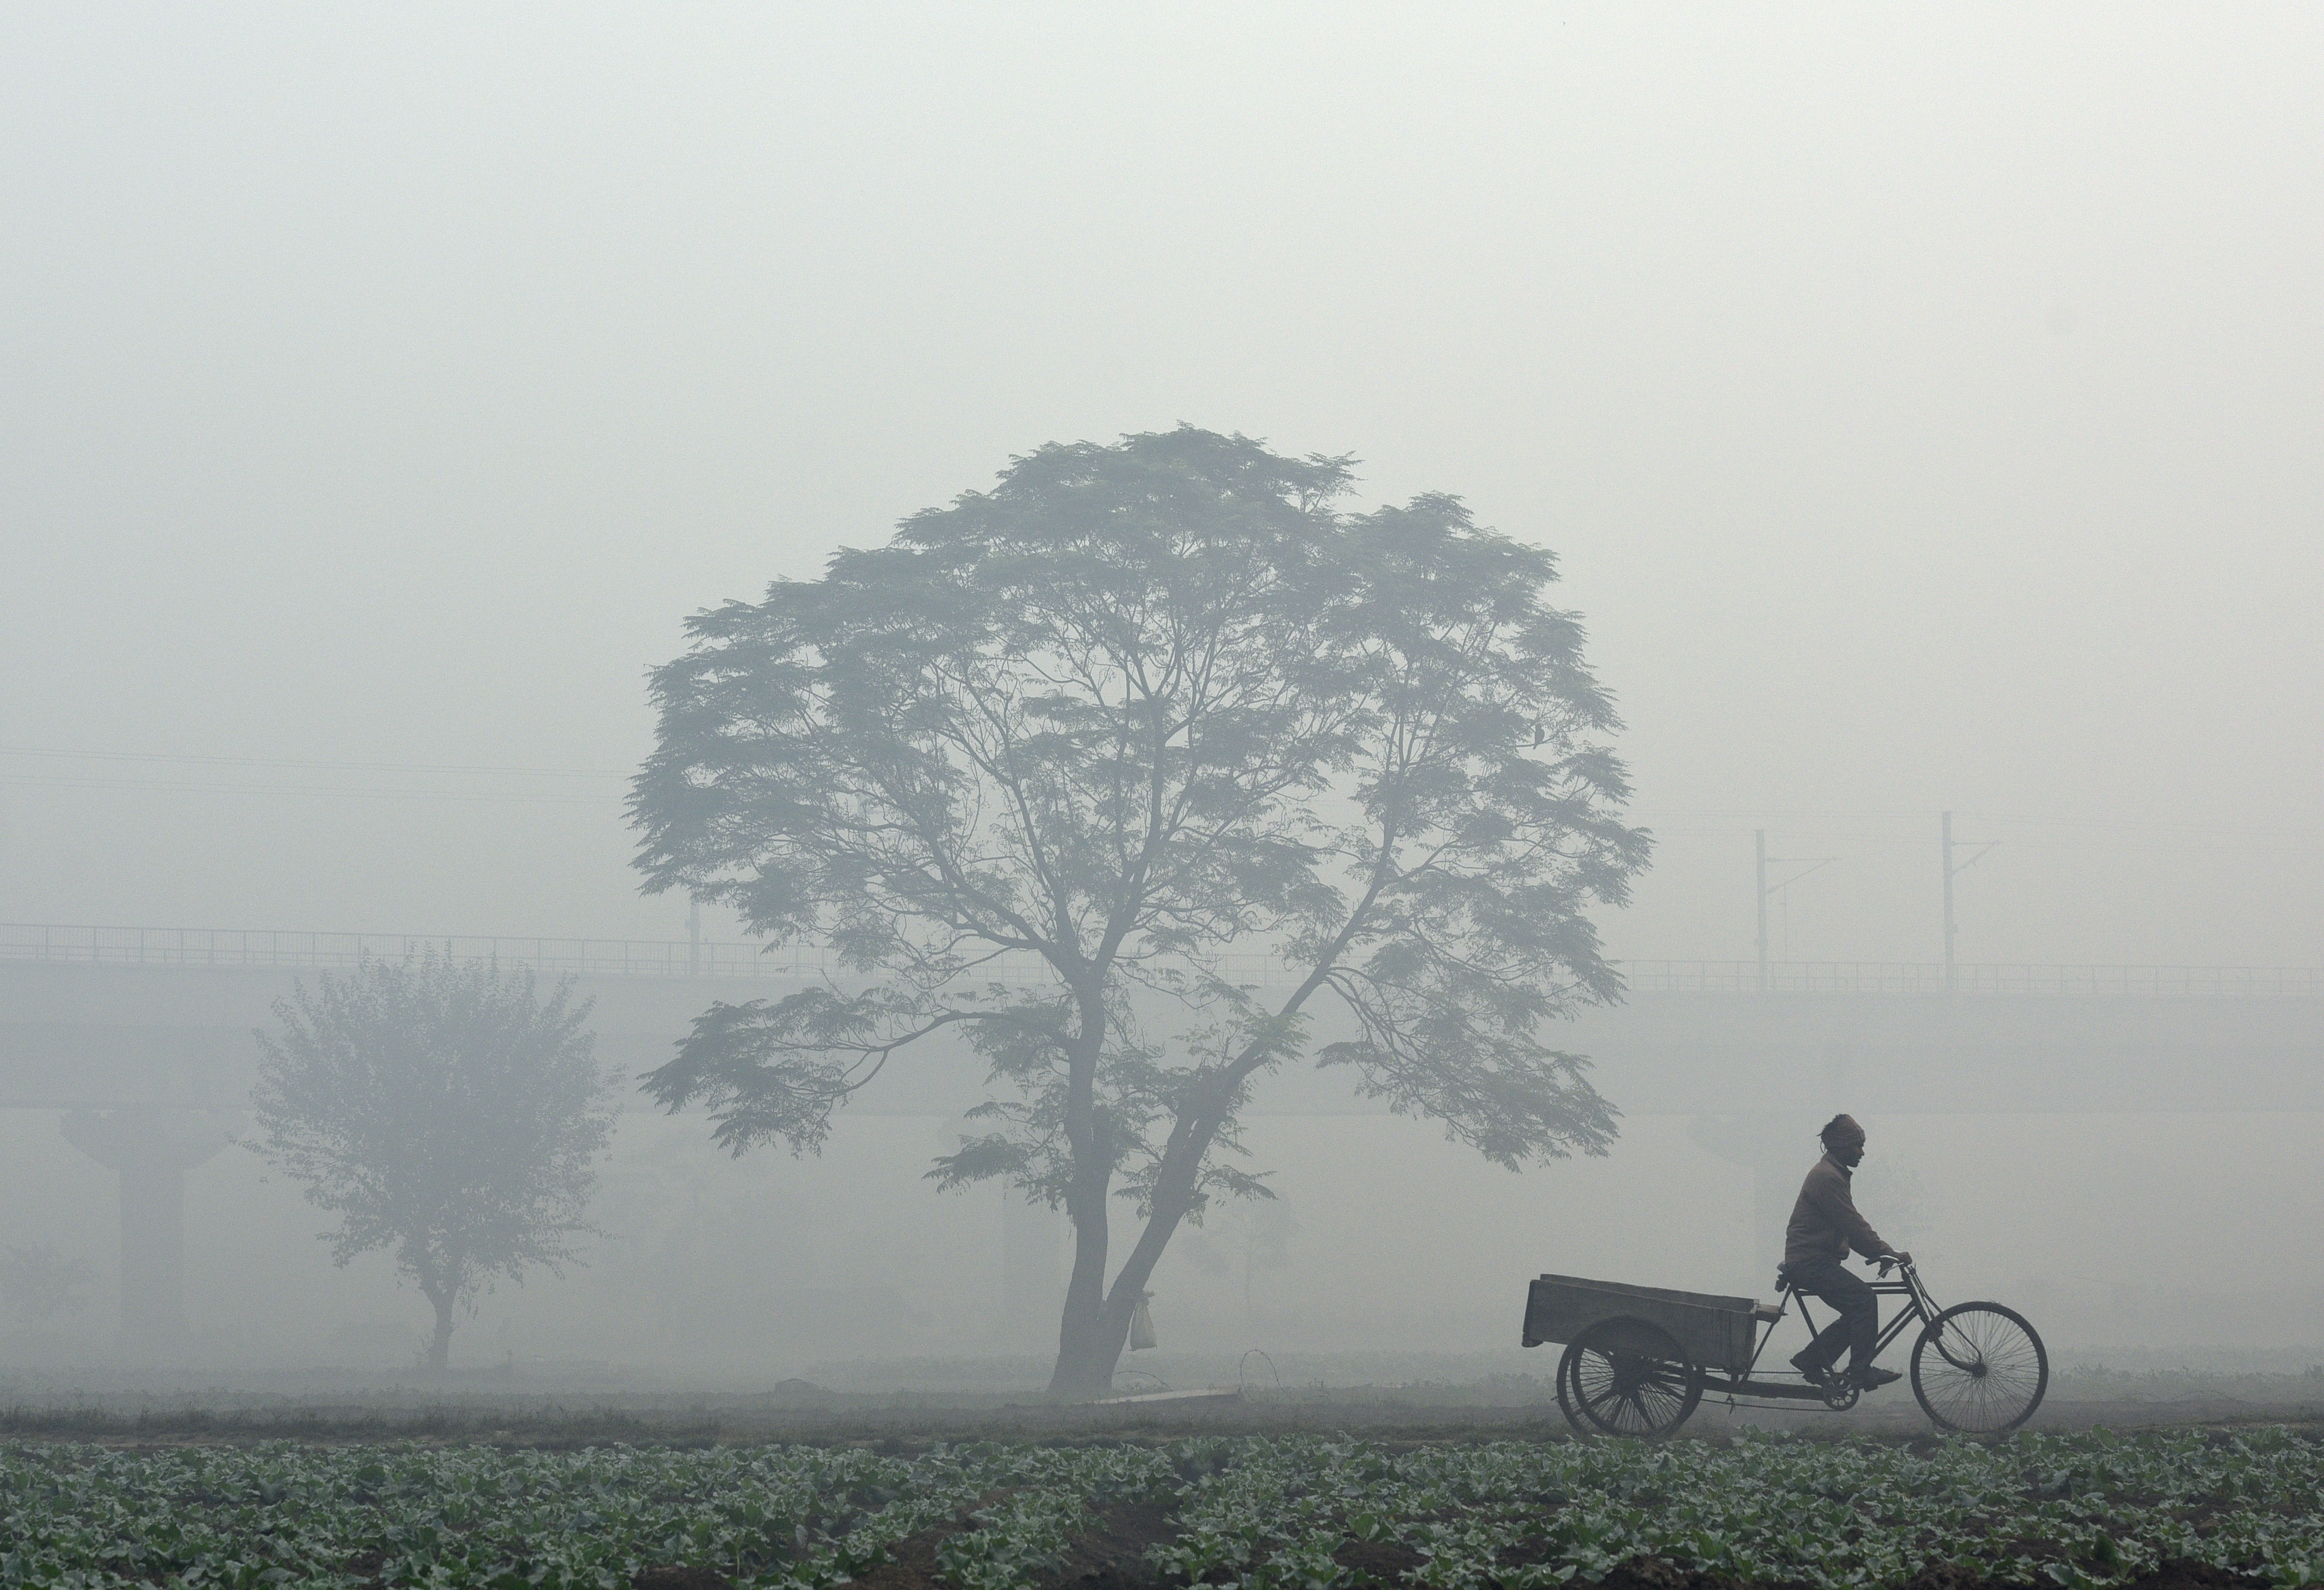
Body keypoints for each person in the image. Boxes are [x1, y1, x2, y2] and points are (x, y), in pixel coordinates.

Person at [1781, 1113, 1912, 1390]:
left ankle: (1812, 1358)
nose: (1862, 1153)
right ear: (1841, 1146)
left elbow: (1849, 1228)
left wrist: (1881, 1253)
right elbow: (1852, 1224)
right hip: (1810, 1262)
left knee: (1857, 1308)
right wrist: (1886, 1252)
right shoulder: (1828, 1178)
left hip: (1811, 1261)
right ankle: (1860, 1371)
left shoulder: (1832, 1175)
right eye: (1857, 1146)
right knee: (1864, 1301)